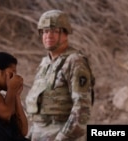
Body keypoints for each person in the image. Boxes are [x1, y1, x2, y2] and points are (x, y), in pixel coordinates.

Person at [25, 9, 95, 141]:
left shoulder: (75, 61)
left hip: (62, 134)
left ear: (65, 34)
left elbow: (82, 108)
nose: (49, 36)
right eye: (45, 31)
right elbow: (41, 109)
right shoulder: (45, 63)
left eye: (54, 31)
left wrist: (62, 138)